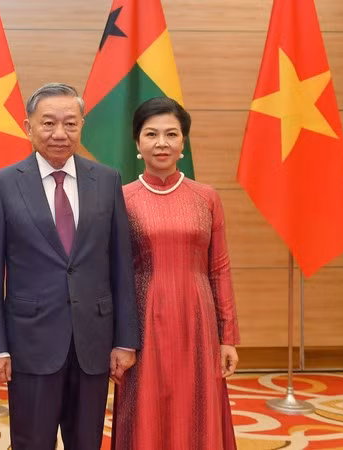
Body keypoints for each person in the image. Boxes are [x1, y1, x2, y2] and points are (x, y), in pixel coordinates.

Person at [0, 83, 141, 449]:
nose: (59, 134)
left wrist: (125, 339)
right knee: (32, 441)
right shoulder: (2, 185)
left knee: (87, 442)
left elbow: (120, 265)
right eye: (48, 123)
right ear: (28, 126)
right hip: (30, 342)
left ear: (82, 125)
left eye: (70, 124)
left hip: (94, 342)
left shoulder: (107, 179)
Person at [111, 97, 240, 450]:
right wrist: (116, 338)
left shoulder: (206, 197)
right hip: (143, 323)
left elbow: (220, 268)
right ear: (137, 143)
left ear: (183, 142)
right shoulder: (120, 198)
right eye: (151, 134)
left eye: (171, 134)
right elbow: (113, 274)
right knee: (147, 409)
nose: (162, 143)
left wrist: (227, 336)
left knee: (196, 405)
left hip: (198, 321)